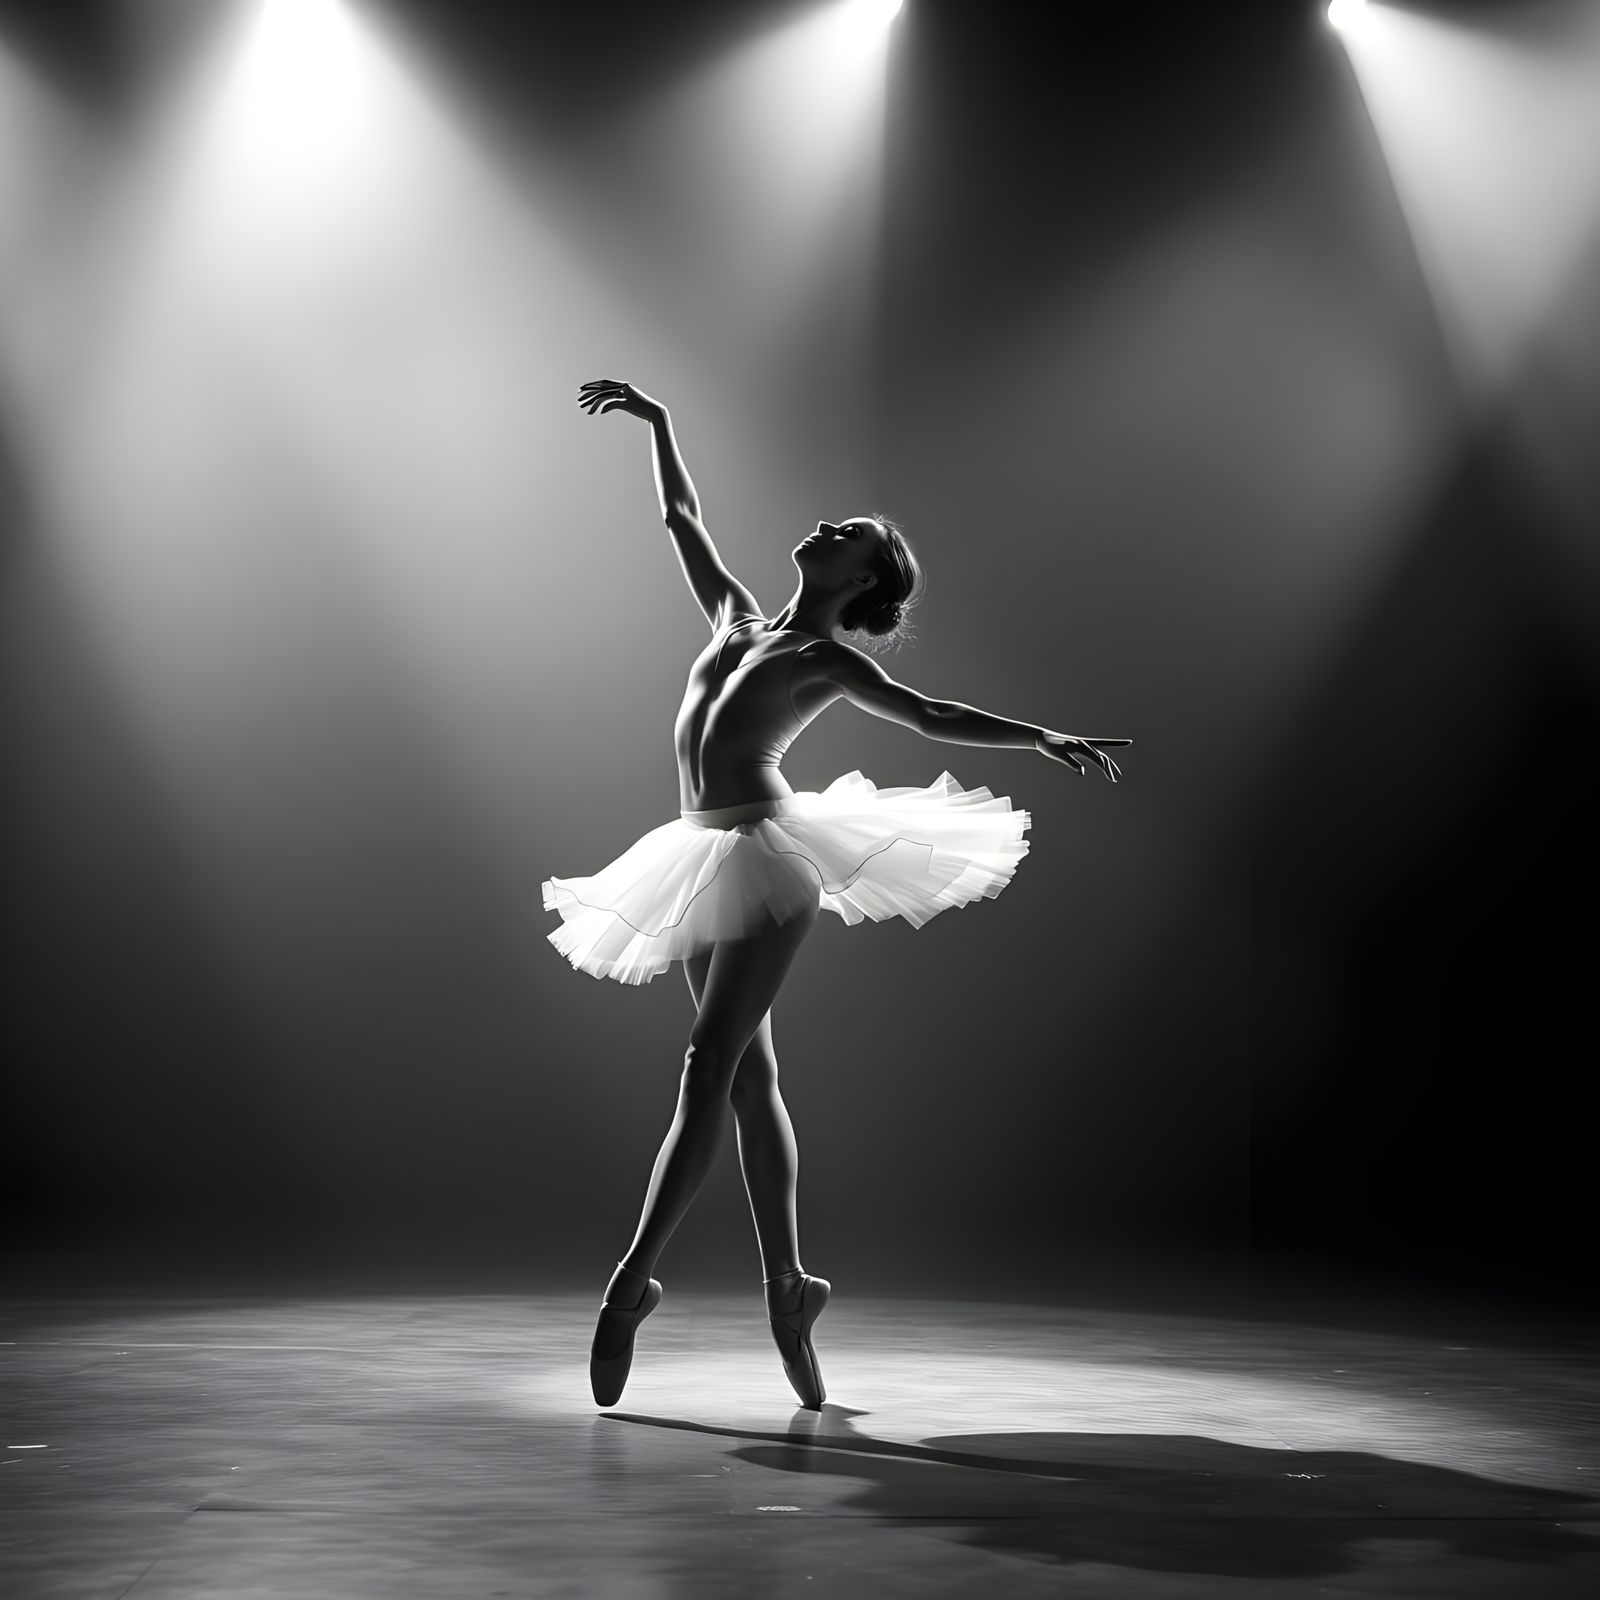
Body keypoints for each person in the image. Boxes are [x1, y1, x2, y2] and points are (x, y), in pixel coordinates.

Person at [545, 379, 1130, 1411]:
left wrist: (1039, 735)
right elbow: (680, 519)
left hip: (767, 863)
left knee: (706, 1065)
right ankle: (788, 1286)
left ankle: (631, 1281)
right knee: (745, 1083)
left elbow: (930, 713)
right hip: (696, 853)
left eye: (844, 533)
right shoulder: (732, 618)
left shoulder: (823, 658)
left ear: (859, 576)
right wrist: (660, 421)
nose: (821, 526)